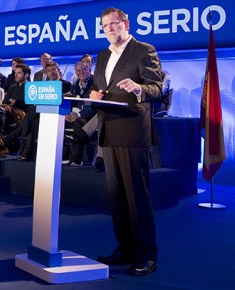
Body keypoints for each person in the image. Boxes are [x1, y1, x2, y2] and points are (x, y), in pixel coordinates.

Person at [91, 7, 163, 276]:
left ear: (126, 24)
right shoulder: (102, 56)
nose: (109, 28)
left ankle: (147, 254)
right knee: (117, 197)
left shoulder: (144, 50)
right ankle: (125, 248)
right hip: (109, 132)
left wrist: (140, 88)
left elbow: (156, 88)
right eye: (105, 25)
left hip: (133, 132)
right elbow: (99, 87)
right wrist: (94, 94)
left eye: (114, 23)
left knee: (137, 197)